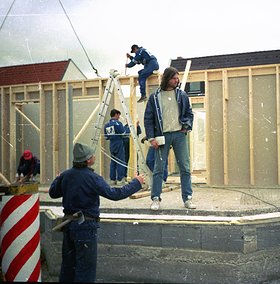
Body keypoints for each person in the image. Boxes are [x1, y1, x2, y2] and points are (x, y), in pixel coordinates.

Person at [49, 142, 144, 283]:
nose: (95, 156)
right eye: (93, 155)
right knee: (85, 270)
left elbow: (53, 193)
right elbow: (115, 194)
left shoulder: (67, 175)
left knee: (68, 268)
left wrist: (58, 178)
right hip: (85, 228)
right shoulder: (92, 178)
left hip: (69, 227)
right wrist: (136, 183)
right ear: (88, 160)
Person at [144, 66, 195, 210]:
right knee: (158, 168)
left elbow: (189, 114)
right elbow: (148, 119)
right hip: (162, 136)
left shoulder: (182, 95)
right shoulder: (155, 97)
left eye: (178, 78)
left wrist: (186, 126)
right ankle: (155, 198)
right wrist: (151, 138)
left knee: (184, 167)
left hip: (179, 134)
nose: (177, 80)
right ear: (167, 78)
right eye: (174, 78)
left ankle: (188, 198)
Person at [104, 109, 126, 185]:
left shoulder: (107, 125)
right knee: (120, 161)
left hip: (112, 144)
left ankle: (112, 180)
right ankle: (120, 180)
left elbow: (106, 137)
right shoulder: (118, 123)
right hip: (118, 143)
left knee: (113, 162)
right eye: (119, 115)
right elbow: (123, 133)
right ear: (116, 114)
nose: (119, 117)